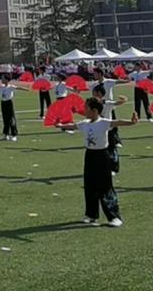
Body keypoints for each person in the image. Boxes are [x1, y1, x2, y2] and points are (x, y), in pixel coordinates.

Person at [56, 97, 138, 227]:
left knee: (105, 186)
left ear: (94, 110)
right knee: (89, 185)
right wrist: (60, 125)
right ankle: (91, 215)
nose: (84, 110)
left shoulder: (103, 122)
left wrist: (131, 122)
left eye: (86, 108)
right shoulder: (85, 123)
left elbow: (117, 122)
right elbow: (73, 125)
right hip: (90, 155)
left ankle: (114, 216)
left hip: (102, 156)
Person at [0, 76, 20, 142]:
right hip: (3, 103)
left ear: (7, 80)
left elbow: (18, 88)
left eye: (3, 79)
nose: (2, 80)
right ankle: (6, 134)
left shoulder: (11, 86)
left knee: (11, 119)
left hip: (9, 103)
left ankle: (14, 135)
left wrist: (27, 89)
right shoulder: (1, 86)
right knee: (5, 119)